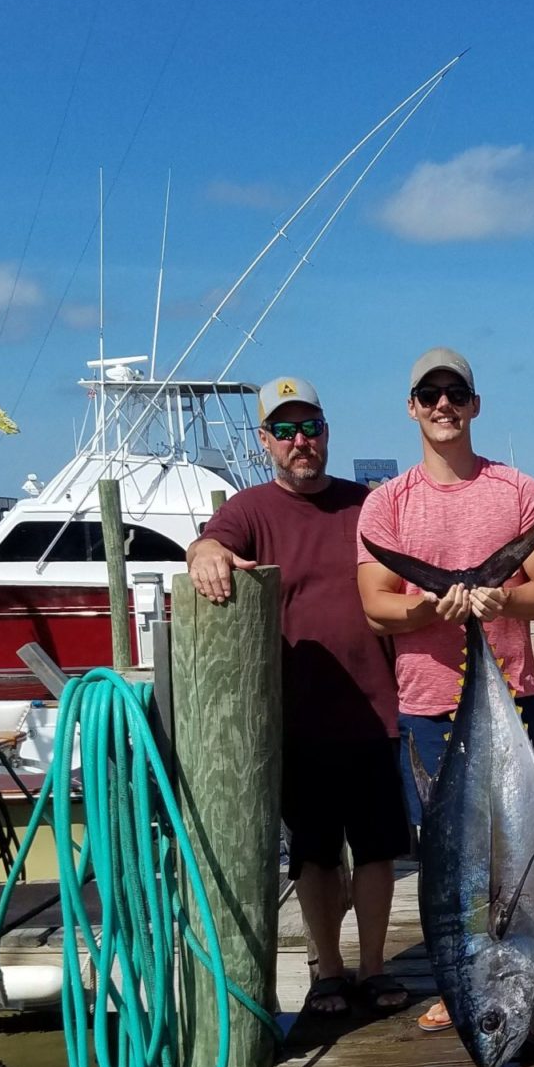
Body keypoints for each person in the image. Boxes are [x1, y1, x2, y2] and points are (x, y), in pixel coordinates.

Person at [355, 347, 534, 1034]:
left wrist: (498, 596)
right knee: (452, 859)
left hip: (511, 701)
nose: (443, 404)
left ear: (475, 405)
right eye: (429, 394)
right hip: (427, 707)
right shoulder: (387, 504)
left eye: (456, 393)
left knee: (525, 845)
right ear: (412, 407)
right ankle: (464, 975)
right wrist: (430, 607)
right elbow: (375, 606)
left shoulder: (519, 493)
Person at [186, 376, 410, 1018]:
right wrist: (206, 553)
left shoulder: (365, 505)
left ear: (326, 432)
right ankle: (330, 972)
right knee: (313, 854)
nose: (300, 441)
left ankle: (373, 970)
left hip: (376, 712)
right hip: (299, 721)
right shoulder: (250, 509)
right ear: (265, 441)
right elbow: (211, 541)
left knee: (375, 852)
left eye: (309, 427)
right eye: (284, 431)